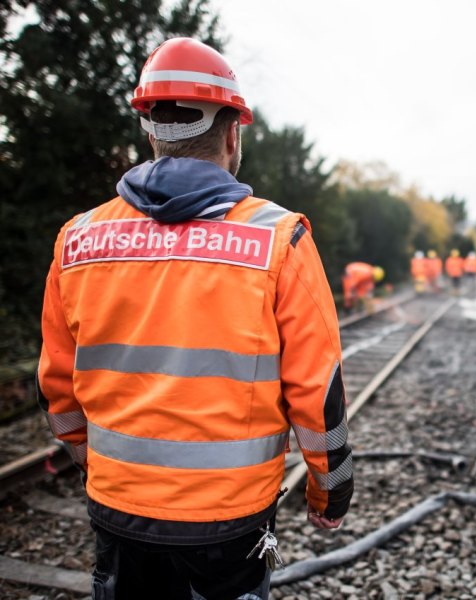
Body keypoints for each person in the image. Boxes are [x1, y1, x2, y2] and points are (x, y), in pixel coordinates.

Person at [36, 38, 353, 600]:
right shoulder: (279, 239)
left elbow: (56, 391)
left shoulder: (78, 239)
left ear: (151, 133)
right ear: (233, 135)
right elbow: (317, 393)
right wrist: (330, 493)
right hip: (230, 519)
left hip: (117, 508)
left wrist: (98, 466)